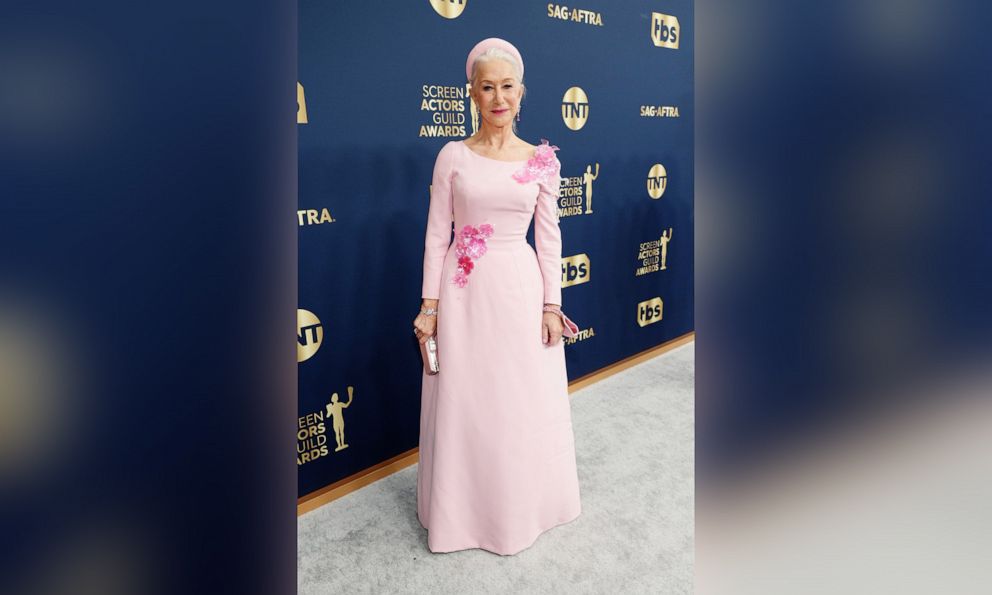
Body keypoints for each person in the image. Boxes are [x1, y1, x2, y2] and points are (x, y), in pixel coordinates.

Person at [412, 37, 582, 556]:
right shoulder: (451, 156)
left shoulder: (542, 161)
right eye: (487, 87)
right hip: (463, 293)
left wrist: (552, 305)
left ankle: (523, 508)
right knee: (468, 399)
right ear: (472, 93)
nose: (498, 97)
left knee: (518, 397)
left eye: (507, 86)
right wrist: (428, 307)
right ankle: (462, 515)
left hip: (520, 288)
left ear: (522, 93)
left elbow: (549, 238)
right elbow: (437, 233)